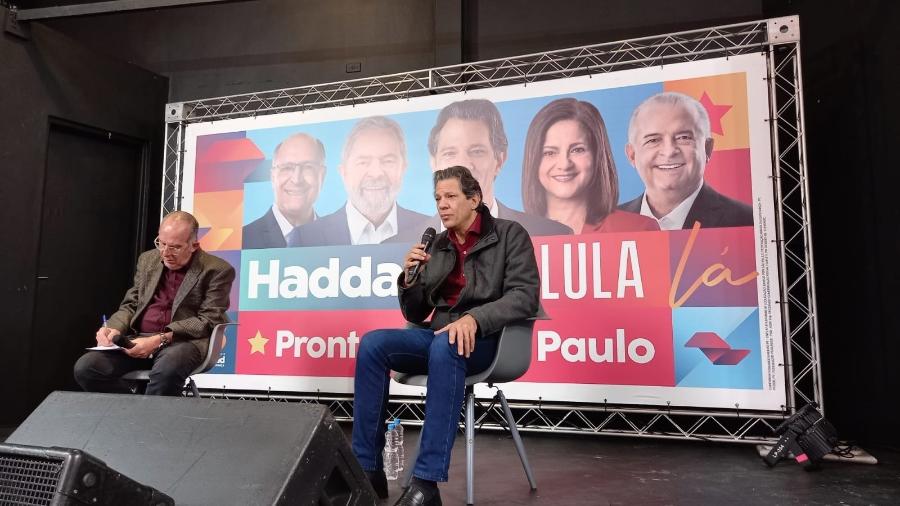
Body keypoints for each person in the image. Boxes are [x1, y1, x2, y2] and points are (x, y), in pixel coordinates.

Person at [352, 166, 540, 506]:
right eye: (438, 198)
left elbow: (524, 296)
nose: (443, 205)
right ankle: (367, 470)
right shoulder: (437, 245)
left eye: (451, 196)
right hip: (440, 338)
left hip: (489, 342)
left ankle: (426, 483)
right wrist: (409, 279)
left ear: (475, 199)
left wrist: (475, 318)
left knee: (446, 343)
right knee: (373, 344)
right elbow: (415, 314)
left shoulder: (511, 235)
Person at [73, 211, 235, 396]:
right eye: (162, 243)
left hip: (182, 342)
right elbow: (131, 304)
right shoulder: (148, 260)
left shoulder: (217, 270)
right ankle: (131, 413)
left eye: (175, 247)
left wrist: (159, 339)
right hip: (138, 338)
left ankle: (149, 421)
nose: (165, 253)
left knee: (167, 369)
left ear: (194, 245)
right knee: (87, 368)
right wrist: (114, 328)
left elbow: (208, 320)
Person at [398, 99, 572, 241]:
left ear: (499, 160)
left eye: (477, 152)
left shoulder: (552, 234)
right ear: (433, 163)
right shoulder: (399, 244)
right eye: (450, 153)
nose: (463, 165)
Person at [619, 91, 753, 230]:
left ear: (707, 149)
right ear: (632, 155)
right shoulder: (605, 225)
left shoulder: (747, 221)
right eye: (653, 140)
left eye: (683, 137)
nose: (669, 151)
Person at [522, 98, 659, 234]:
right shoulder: (516, 235)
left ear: (597, 155)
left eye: (577, 150)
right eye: (549, 152)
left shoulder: (638, 229)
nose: (564, 164)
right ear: (533, 160)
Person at [289, 116, 427, 246]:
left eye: (387, 161)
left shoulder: (430, 230)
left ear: (403, 168)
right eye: (363, 162)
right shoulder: (305, 239)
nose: (376, 173)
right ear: (343, 172)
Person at [242, 133, 326, 249]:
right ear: (272, 177)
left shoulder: (341, 240)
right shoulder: (243, 240)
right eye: (287, 168)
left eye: (308, 167)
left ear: (322, 175)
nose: (296, 180)